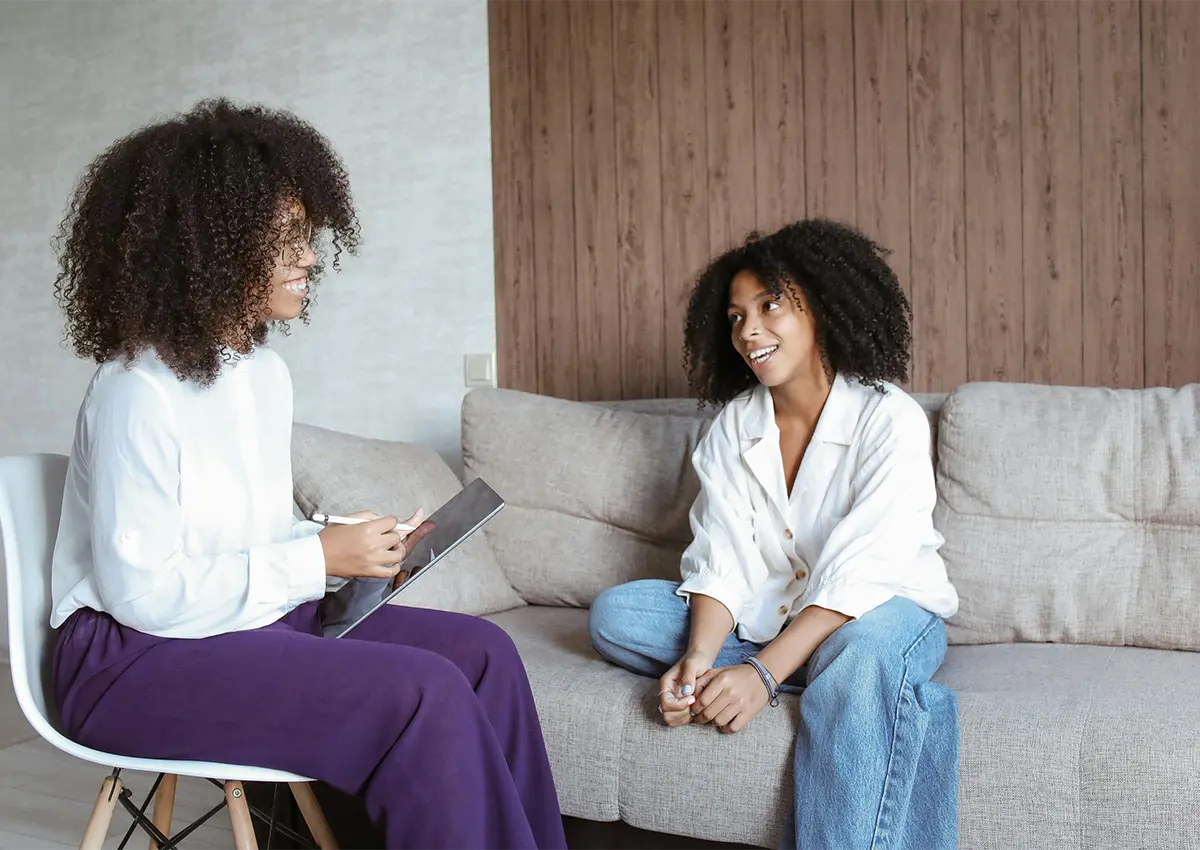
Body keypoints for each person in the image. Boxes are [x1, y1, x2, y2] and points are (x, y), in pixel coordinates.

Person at [48, 98, 568, 850]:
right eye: (287, 238)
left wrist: (334, 545)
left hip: (232, 624)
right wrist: (315, 560)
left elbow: (242, 535)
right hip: (128, 660)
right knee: (421, 695)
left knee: (485, 655)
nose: (311, 258)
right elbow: (145, 594)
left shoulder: (261, 372)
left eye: (309, 236)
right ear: (211, 247)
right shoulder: (136, 391)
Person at [587, 220, 960, 850]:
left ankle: (847, 678)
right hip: (767, 620)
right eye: (735, 317)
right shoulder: (735, 426)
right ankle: (850, 686)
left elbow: (861, 574)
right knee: (617, 614)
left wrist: (760, 676)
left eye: (769, 306)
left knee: (862, 651)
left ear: (822, 303)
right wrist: (700, 660)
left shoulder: (886, 416)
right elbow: (720, 555)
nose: (749, 331)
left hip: (884, 610)